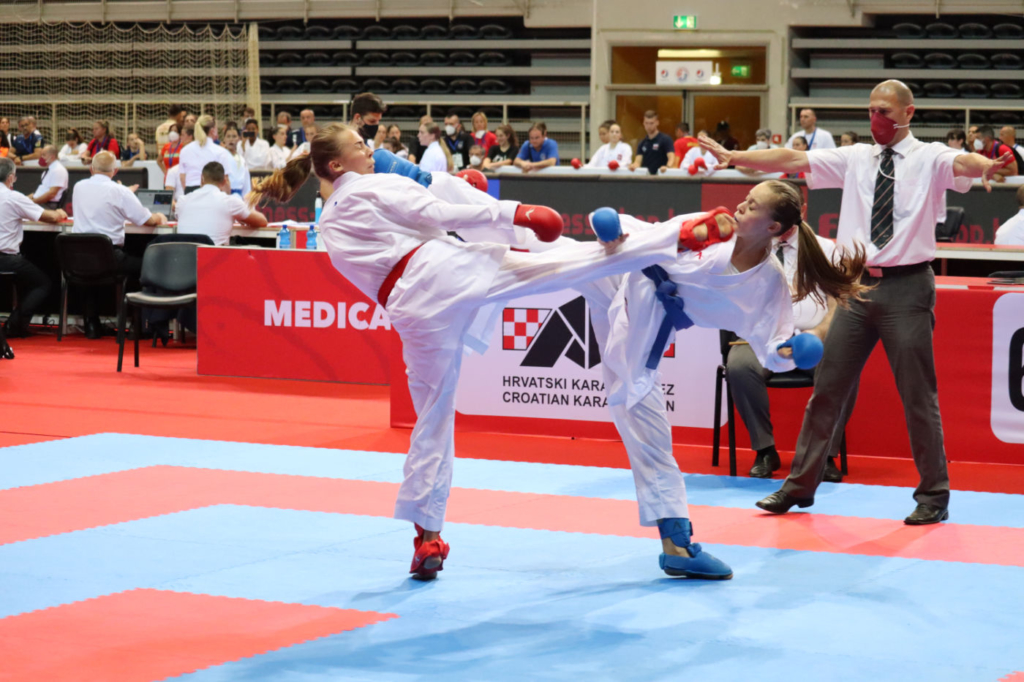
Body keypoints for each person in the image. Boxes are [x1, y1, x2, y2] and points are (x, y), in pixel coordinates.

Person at [249, 123, 695, 580]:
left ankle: (427, 537)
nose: (370, 150)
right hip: (442, 272)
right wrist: (517, 212)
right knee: (561, 264)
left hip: (408, 311)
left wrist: (463, 200)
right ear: (337, 164)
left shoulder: (328, 223)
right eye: (360, 146)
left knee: (432, 419)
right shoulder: (369, 185)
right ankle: (677, 240)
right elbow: (438, 211)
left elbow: (413, 224)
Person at [700, 79, 1013, 524]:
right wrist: (737, 158)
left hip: (908, 287)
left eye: (885, 111)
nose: (876, 119)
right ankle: (799, 486)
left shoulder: (930, 157)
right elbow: (792, 159)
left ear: (908, 113)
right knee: (827, 389)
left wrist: (985, 164)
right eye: (871, 111)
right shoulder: (855, 158)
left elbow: (964, 162)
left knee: (918, 396)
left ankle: (934, 495)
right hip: (856, 286)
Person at [595, 181, 868, 578]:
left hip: (641, 330)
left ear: (773, 227)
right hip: (625, 281)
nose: (741, 206)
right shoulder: (711, 228)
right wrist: (619, 227)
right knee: (558, 258)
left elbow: (772, 344)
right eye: (746, 199)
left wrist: (790, 351)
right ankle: (511, 226)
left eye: (752, 205)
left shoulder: (768, 282)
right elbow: (656, 234)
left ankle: (677, 544)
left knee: (645, 423)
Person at [725, 182, 844, 480]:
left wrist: (819, 333)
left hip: (812, 340)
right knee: (739, 367)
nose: (742, 207)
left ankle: (824, 454)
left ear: (800, 211)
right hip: (761, 338)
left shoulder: (826, 249)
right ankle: (765, 450)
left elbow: (838, 304)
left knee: (844, 369)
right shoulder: (742, 249)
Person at [70, 151, 167, 339]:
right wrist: (159, 216)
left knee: (89, 274)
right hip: (110, 259)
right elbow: (147, 220)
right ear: (115, 171)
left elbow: (101, 198)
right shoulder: (120, 192)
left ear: (91, 169)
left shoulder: (79, 187)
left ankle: (91, 325)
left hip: (79, 259)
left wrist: (125, 193)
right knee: (146, 267)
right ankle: (137, 325)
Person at [0, 157, 64, 338]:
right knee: (42, 283)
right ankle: (14, 325)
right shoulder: (13, 197)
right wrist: (59, 213)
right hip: (6, 259)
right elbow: (50, 217)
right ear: (11, 178)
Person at [176, 161, 267, 245]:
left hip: (182, 255)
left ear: (201, 179)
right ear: (224, 181)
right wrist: (241, 217)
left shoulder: (182, 201)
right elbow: (262, 221)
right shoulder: (230, 202)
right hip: (214, 256)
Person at [179, 115, 234, 193]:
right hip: (211, 191)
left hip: (190, 190)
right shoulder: (220, 151)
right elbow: (225, 180)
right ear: (212, 130)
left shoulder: (185, 150)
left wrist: (189, 195)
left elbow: (182, 177)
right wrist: (227, 196)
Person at [632, 110, 676, 175]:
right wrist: (633, 166)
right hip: (646, 177)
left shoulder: (665, 139)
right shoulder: (642, 143)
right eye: (646, 123)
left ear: (657, 123)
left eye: (651, 123)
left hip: (661, 176)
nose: (648, 126)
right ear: (643, 123)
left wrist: (667, 167)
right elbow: (637, 162)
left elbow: (671, 157)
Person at [219, 125, 252, 196]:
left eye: (234, 136)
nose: (231, 139)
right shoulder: (220, 157)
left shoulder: (242, 159)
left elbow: (246, 183)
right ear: (224, 139)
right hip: (225, 194)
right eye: (228, 136)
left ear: (239, 139)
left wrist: (247, 197)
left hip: (239, 195)